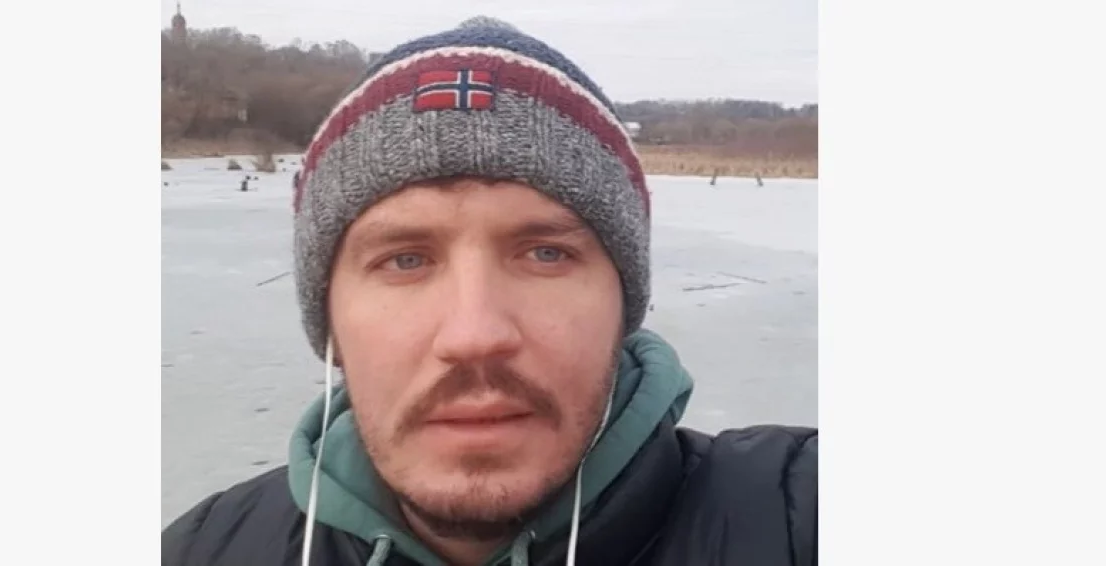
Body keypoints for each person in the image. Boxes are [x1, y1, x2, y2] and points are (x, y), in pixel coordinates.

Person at [163, 16, 816, 566]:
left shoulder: (801, 516)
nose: (474, 334)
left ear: (623, 305)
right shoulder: (201, 550)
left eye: (545, 253)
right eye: (405, 259)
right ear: (328, 315)